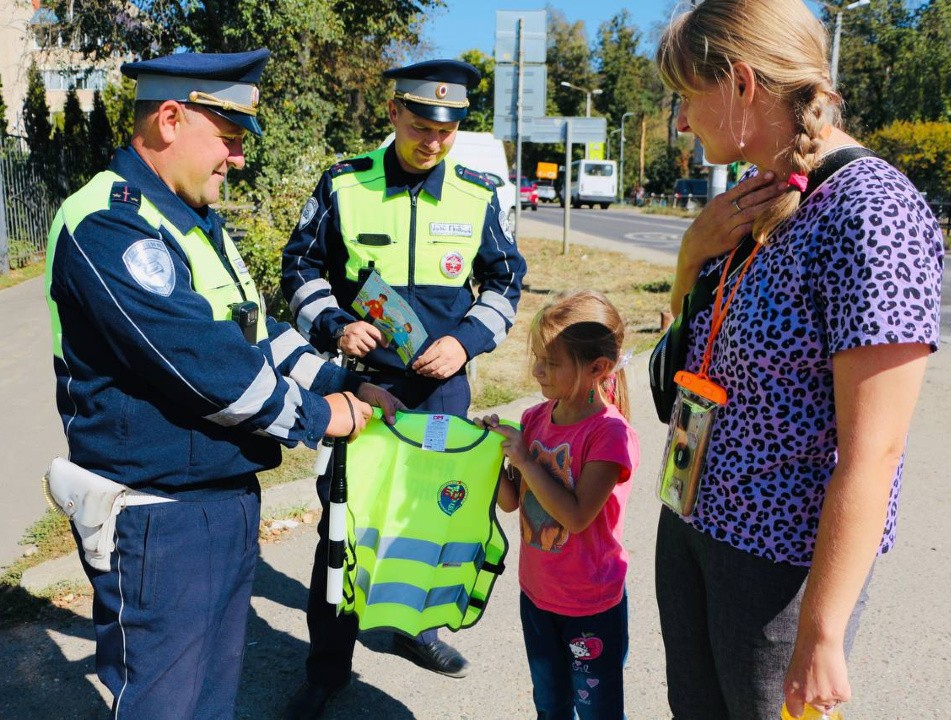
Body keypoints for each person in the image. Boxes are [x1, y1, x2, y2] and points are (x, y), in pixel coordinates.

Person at [44, 49, 400, 719]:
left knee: (210, 703)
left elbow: (256, 332)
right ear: (171, 119)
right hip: (155, 517)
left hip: (221, 500)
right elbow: (207, 367)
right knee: (165, 703)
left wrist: (341, 381)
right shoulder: (109, 223)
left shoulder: (195, 222)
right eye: (230, 140)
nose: (237, 159)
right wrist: (324, 415)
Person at [653, 2, 944, 718]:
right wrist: (691, 259)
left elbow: (874, 451)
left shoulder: (871, 214)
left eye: (687, 97)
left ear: (742, 84)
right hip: (693, 522)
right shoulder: (756, 197)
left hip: (778, 569)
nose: (682, 123)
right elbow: (678, 374)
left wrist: (822, 630)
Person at [281, 58, 526, 717]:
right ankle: (327, 669)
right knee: (344, 526)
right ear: (393, 114)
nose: (434, 142)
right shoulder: (344, 182)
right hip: (358, 389)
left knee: (430, 520)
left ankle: (419, 627)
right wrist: (334, 324)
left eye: (448, 131)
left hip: (441, 393)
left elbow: (505, 282)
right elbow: (299, 265)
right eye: (421, 126)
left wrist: (466, 341)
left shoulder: (477, 192)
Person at [475, 290, 640, 720]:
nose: (537, 370)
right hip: (538, 595)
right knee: (550, 705)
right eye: (537, 358)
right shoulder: (534, 419)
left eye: (551, 362)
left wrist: (526, 460)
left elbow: (577, 515)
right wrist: (490, 456)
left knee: (597, 712)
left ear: (597, 369)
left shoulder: (609, 435)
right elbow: (513, 503)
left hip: (591, 606)